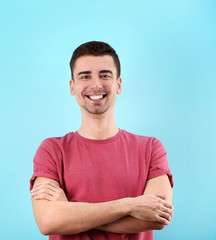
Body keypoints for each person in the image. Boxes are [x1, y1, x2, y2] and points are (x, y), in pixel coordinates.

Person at [29, 41, 174, 240]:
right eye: (85, 76)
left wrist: (69, 211)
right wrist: (129, 205)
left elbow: (156, 218)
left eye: (105, 75)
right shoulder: (51, 150)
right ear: (72, 87)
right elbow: (48, 222)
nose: (96, 84)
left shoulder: (150, 148)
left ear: (119, 84)